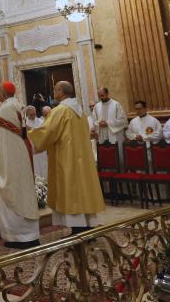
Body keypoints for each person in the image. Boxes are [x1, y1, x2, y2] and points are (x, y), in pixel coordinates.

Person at [28, 81, 105, 234]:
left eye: (56, 89)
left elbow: (47, 132)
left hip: (67, 159)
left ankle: (78, 228)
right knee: (83, 190)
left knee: (72, 192)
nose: (54, 92)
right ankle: (89, 225)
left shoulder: (60, 111)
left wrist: (29, 134)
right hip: (82, 160)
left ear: (61, 92)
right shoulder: (81, 113)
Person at [0, 81, 40, 248]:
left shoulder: (5, 108)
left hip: (11, 155)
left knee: (12, 188)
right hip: (20, 151)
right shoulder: (17, 103)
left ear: (4, 93)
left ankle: (19, 237)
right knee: (23, 189)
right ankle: (29, 234)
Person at [91, 88, 128, 152]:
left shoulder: (116, 104)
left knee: (117, 154)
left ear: (107, 94)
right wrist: (98, 123)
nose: (101, 98)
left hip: (114, 134)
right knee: (106, 154)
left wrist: (108, 123)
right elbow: (94, 121)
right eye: (99, 96)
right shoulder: (97, 106)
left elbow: (123, 120)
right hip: (102, 135)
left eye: (102, 95)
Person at [25, 105, 47, 178]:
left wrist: (30, 129)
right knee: (34, 166)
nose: (34, 116)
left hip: (40, 148)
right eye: (31, 115)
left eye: (34, 114)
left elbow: (42, 131)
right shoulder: (25, 123)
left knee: (43, 166)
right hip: (31, 147)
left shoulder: (40, 121)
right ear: (27, 114)